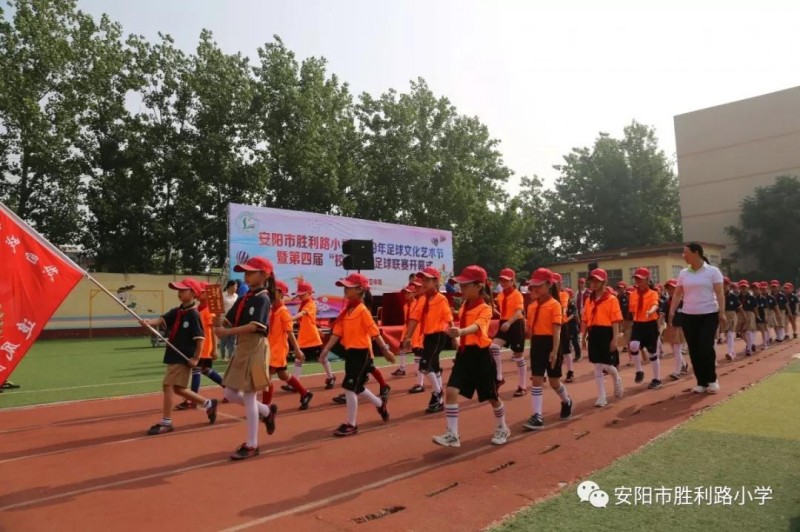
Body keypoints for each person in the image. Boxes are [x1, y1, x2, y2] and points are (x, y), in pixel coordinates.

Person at [432, 265, 510, 447]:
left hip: (481, 357)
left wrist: (460, 332)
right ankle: (452, 434)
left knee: (492, 397)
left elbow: (478, 327)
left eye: (465, 285)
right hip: (464, 355)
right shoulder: (465, 305)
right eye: (461, 285)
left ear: (478, 286)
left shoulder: (486, 308)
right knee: (451, 391)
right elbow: (459, 320)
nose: (461, 289)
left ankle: (502, 427)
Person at [213, 257, 277, 460]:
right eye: (245, 272)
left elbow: (255, 326)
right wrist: (216, 318)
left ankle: (252, 444)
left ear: (264, 275)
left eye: (251, 272)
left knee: (249, 396)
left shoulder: (263, 299)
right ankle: (267, 411)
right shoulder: (245, 297)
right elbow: (228, 320)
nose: (246, 275)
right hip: (241, 348)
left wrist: (226, 333)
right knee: (231, 394)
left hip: (255, 348)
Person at [140, 278, 218, 435]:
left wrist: (196, 358)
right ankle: (208, 403)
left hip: (183, 356)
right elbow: (162, 320)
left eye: (183, 290)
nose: (179, 292)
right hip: (173, 354)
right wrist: (150, 322)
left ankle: (166, 421)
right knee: (178, 388)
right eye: (179, 290)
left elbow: (200, 339)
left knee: (168, 385)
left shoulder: (194, 315)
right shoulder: (177, 311)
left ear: (193, 293)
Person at [319, 273, 393, 437]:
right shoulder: (346, 312)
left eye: (348, 286)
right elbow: (337, 333)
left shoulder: (362, 311)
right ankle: (380, 403)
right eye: (344, 286)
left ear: (360, 290)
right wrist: (325, 350)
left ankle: (351, 424)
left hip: (362, 353)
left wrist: (386, 349)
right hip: (350, 353)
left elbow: (374, 332)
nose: (345, 289)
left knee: (349, 387)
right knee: (356, 387)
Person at [668, 243, 726, 394]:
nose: (683, 255)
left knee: (705, 346)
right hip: (689, 315)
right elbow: (677, 293)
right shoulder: (683, 273)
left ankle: (712, 380)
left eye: (685, 252)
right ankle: (701, 382)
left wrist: (722, 312)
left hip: (709, 313)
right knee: (693, 349)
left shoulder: (713, 271)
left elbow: (720, 293)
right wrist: (672, 310)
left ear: (696, 253)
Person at [522, 268, 573, 430]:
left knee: (554, 381)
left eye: (539, 285)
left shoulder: (555, 305)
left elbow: (557, 330)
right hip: (536, 344)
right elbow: (530, 330)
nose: (535, 288)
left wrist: (554, 351)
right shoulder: (531, 306)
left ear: (549, 285)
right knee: (536, 379)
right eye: (533, 285)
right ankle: (537, 415)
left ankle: (566, 400)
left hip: (551, 344)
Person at [402, 267, 454, 414]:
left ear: (436, 281)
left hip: (438, 336)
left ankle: (437, 393)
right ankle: (438, 397)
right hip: (427, 336)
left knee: (424, 366)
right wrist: (408, 336)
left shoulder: (441, 299)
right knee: (435, 367)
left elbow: (448, 318)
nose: (424, 283)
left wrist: (455, 336)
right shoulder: (422, 299)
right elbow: (414, 319)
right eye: (422, 279)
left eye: (427, 280)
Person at [263, 280, 314, 411]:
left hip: (278, 350)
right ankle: (305, 393)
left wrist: (297, 350)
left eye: (273, 291)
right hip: (271, 348)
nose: (269, 293)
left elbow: (290, 333)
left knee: (266, 377)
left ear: (280, 294)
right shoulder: (272, 310)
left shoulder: (283, 311)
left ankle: (265, 408)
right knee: (283, 375)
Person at [176, 281, 225, 410]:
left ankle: (193, 399)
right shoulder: (198, 308)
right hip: (198, 345)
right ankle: (229, 387)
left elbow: (213, 331)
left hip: (205, 345)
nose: (199, 293)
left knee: (196, 370)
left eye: (202, 292)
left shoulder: (209, 311)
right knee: (205, 370)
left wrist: (214, 349)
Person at [580, 269, 624, 407]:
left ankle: (616, 378)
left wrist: (615, 338)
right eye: (592, 281)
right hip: (594, 333)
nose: (593, 283)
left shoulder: (611, 299)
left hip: (607, 332)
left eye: (597, 281)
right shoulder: (589, 300)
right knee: (597, 365)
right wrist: (583, 337)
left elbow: (615, 320)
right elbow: (585, 319)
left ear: (604, 282)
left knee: (607, 364)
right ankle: (602, 396)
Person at [491, 268, 527, 396]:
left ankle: (522, 386)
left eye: (506, 280)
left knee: (518, 357)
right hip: (504, 322)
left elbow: (518, 312)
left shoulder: (517, 294)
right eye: (501, 280)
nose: (503, 283)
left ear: (513, 281)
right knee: (493, 347)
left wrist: (508, 323)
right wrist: (497, 313)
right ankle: (499, 377)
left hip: (515, 324)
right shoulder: (500, 295)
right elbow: (505, 310)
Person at [284, 281, 322, 391]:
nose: (300, 296)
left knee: (321, 358)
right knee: (298, 359)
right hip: (304, 337)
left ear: (310, 293)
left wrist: (289, 319)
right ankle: (295, 383)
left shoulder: (310, 304)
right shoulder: (304, 304)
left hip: (312, 337)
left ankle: (330, 376)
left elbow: (302, 314)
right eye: (299, 294)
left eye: (303, 294)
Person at [628, 268, 663, 389]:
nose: (638, 281)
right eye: (636, 278)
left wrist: (650, 311)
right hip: (638, 324)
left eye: (640, 279)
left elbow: (655, 304)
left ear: (647, 280)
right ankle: (639, 371)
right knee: (633, 345)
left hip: (650, 324)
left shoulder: (653, 293)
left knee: (652, 353)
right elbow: (632, 311)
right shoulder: (632, 295)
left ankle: (657, 379)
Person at [660, 279, 688, 379]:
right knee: (675, 349)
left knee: (676, 349)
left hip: (680, 328)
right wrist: (658, 327)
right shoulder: (666, 302)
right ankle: (684, 365)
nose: (670, 290)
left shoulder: (684, 301)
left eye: (673, 288)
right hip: (670, 327)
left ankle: (677, 371)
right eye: (668, 288)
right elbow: (662, 315)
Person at [392, 282, 420, 376]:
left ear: (414, 293)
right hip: (406, 328)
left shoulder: (418, 304)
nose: (406, 295)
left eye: (409, 293)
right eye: (405, 293)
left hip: (416, 330)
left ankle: (420, 370)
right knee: (402, 348)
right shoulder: (405, 306)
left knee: (418, 350)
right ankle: (402, 368)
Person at [722, 277, 741, 360]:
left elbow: (739, 307)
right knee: (726, 335)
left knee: (730, 334)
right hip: (721, 315)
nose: (723, 285)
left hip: (732, 315)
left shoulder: (733, 296)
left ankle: (730, 352)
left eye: (725, 284)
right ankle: (732, 351)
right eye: (722, 283)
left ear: (728, 285)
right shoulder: (717, 294)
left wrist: (743, 316)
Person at [219, 280, 239, 360]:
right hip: (224, 321)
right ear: (230, 286)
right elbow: (219, 309)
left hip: (233, 321)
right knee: (223, 340)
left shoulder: (236, 296)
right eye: (235, 286)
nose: (236, 288)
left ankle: (230, 356)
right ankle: (223, 355)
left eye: (237, 286)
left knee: (232, 340)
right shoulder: (223, 296)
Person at [739, 280, 758, 356]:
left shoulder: (751, 297)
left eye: (745, 287)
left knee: (749, 331)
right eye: (742, 287)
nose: (743, 288)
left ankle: (749, 349)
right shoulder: (737, 297)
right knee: (741, 331)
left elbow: (755, 308)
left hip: (750, 314)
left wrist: (757, 316)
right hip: (740, 314)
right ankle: (750, 343)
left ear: (747, 288)